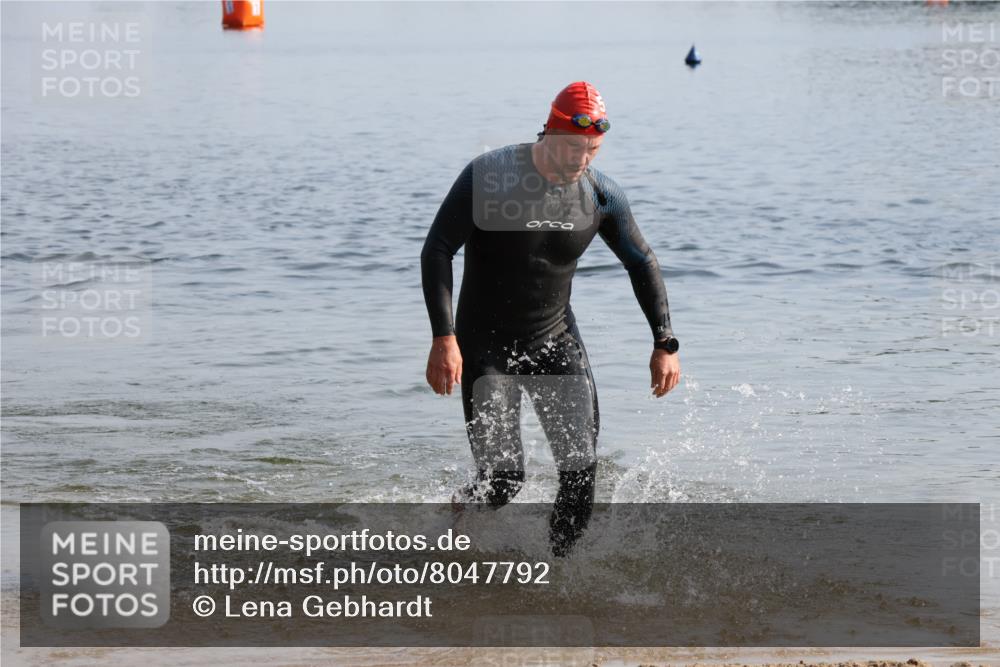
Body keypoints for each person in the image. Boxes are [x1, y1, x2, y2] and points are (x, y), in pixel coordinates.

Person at [420, 81, 681, 557]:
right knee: (503, 480)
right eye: (573, 150)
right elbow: (438, 249)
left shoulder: (600, 195)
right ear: (549, 133)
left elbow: (641, 260)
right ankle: (462, 509)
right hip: (485, 345)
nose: (581, 162)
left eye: (593, 151)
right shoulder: (489, 178)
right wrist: (444, 337)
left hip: (554, 337)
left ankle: (560, 576)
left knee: (581, 472)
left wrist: (664, 342)